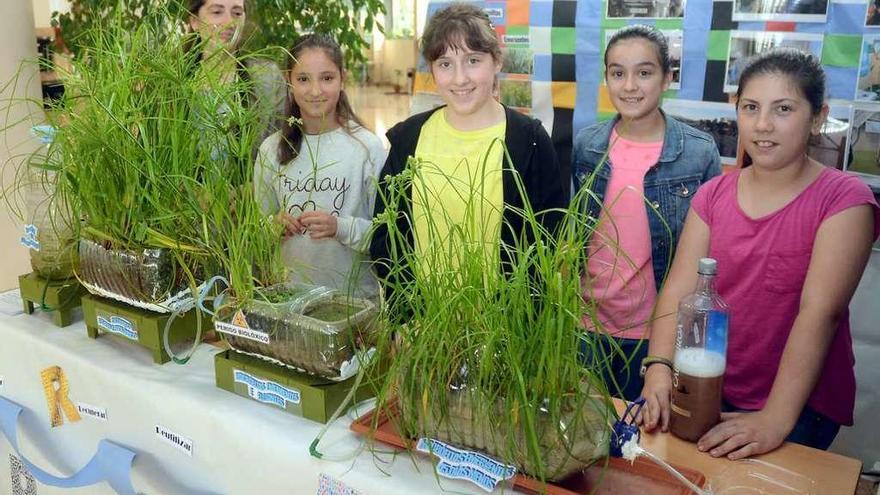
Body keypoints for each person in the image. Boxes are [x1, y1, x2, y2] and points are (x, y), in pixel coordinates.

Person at [639, 48, 880, 458]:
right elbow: (679, 287)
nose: (763, 124)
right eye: (751, 107)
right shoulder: (713, 194)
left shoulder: (844, 199)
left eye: (783, 108)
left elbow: (820, 313)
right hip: (710, 386)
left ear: (818, 116)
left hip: (797, 405)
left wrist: (775, 418)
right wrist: (659, 366)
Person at [369, 3, 568, 305]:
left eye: (472, 60)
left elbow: (546, 242)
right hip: (424, 329)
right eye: (445, 64)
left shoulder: (529, 141)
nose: (460, 79)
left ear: (496, 61)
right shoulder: (409, 138)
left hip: (503, 333)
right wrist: (407, 316)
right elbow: (387, 239)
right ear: (432, 69)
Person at [572, 25, 721, 401]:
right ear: (606, 77)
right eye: (617, 73)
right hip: (586, 327)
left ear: (667, 78)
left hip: (657, 336)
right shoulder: (588, 145)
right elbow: (573, 236)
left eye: (644, 72)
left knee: (644, 444)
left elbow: (709, 255)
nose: (630, 86)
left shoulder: (698, 152)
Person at [255, 34, 386, 299]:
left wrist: (340, 227)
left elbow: (385, 235)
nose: (315, 91)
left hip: (354, 303)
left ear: (343, 79)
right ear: (288, 80)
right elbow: (255, 228)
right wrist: (273, 225)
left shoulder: (366, 147)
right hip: (290, 300)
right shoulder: (271, 149)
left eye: (327, 78)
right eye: (303, 79)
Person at [186, 0, 287, 156]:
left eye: (237, 13)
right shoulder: (172, 84)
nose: (229, 22)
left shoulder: (268, 78)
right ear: (195, 21)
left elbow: (284, 145)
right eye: (217, 12)